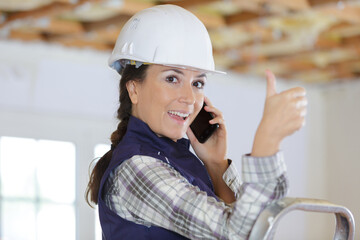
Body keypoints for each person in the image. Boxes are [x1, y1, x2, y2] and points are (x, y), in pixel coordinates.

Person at [86, 4, 307, 240]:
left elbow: (254, 230)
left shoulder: (178, 161)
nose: (190, 98)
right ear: (134, 89)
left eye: (197, 83)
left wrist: (217, 165)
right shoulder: (137, 170)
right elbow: (241, 234)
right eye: (172, 78)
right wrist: (268, 141)